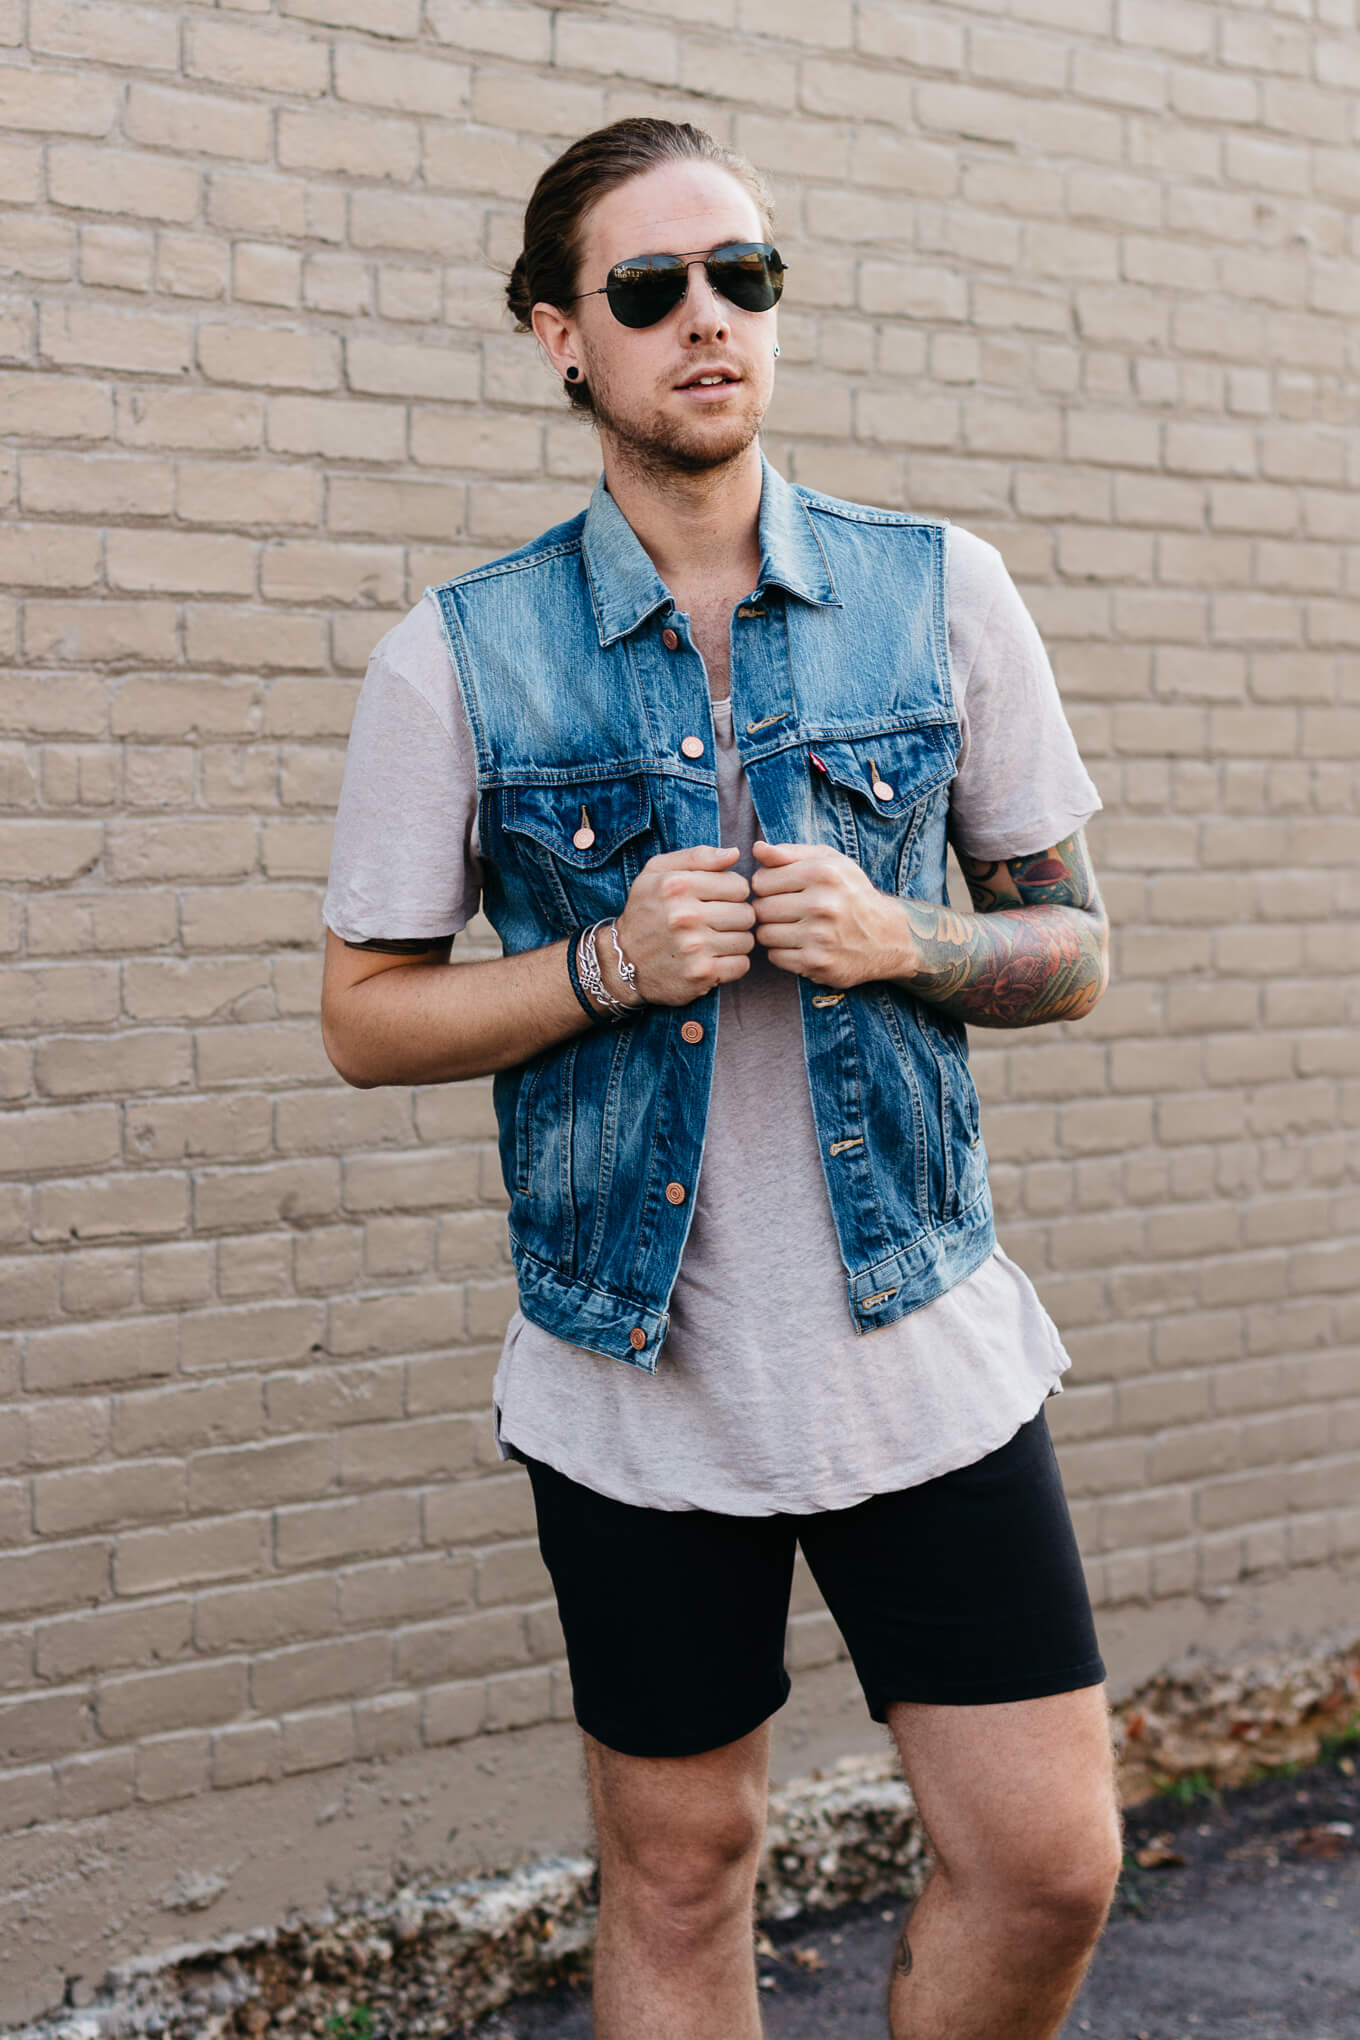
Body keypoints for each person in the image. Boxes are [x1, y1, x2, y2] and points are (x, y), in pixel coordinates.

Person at [321, 116, 1123, 2040]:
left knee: (1051, 1861)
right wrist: (600, 966)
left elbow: (1075, 947)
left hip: (919, 1340)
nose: (710, 320)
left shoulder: (942, 593)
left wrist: (903, 937)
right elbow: (365, 1014)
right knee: (684, 1876)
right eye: (652, 286)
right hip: (639, 1375)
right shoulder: (461, 659)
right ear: (555, 335)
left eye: (744, 275)